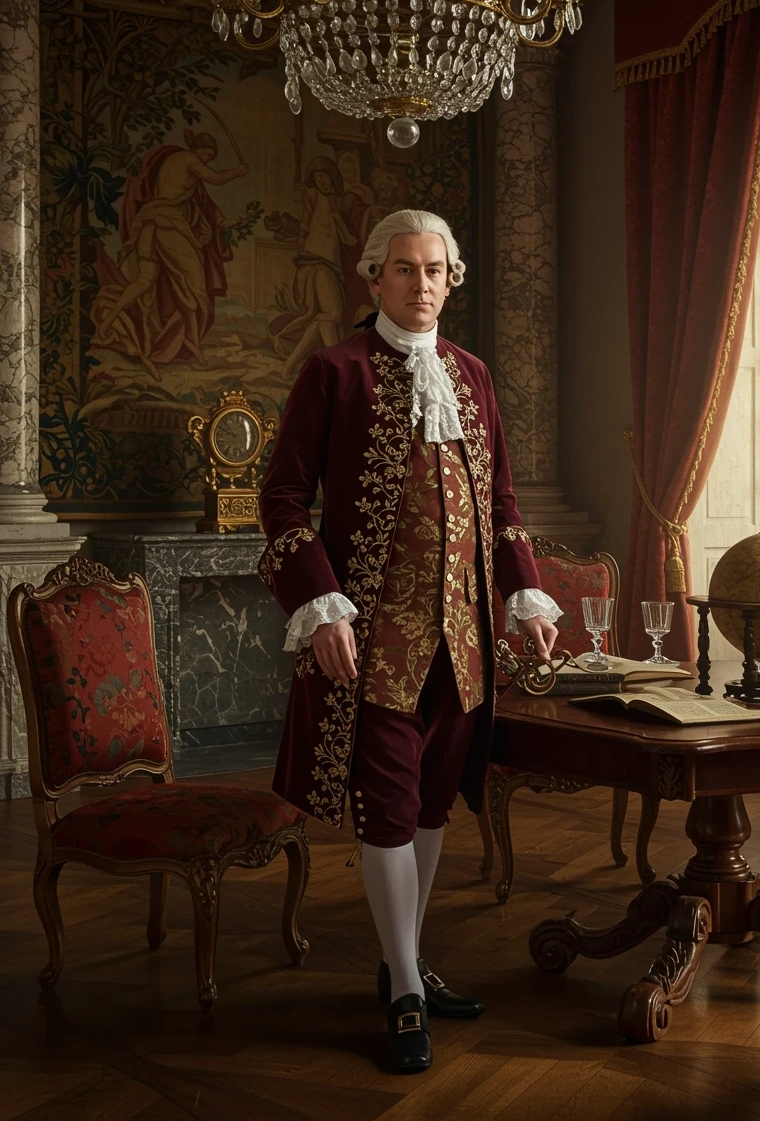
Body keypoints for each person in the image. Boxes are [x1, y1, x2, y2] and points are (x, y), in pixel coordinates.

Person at [258, 209, 561, 1073]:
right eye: (403, 269)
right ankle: (401, 993)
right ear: (373, 278)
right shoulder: (334, 371)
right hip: (375, 638)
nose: (420, 283)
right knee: (386, 803)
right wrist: (322, 606)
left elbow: (500, 504)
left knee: (430, 802)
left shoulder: (473, 376)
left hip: (462, 640)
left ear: (451, 278)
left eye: (434, 270)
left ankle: (406, 961)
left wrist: (527, 598)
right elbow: (281, 499)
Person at [92, 131, 246, 377]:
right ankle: (193, 341)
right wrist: (237, 172)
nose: (208, 157)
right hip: (168, 224)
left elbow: (203, 201)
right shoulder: (188, 159)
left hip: (150, 222)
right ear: (198, 147)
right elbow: (216, 179)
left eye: (211, 154)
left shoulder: (175, 162)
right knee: (196, 286)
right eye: (207, 151)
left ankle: (109, 321)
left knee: (146, 281)